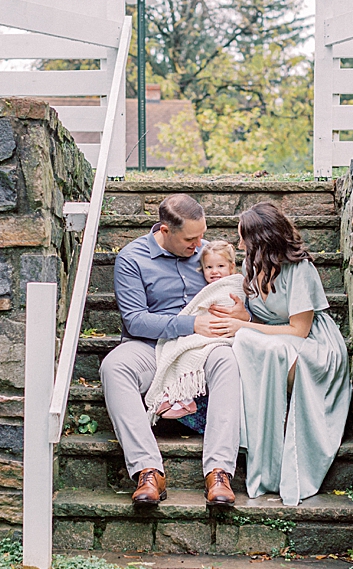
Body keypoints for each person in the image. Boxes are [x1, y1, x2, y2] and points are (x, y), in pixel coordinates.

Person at [103, 194, 249, 507]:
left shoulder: (207, 252)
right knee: (114, 367)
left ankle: (219, 472)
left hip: (201, 348)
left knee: (227, 359)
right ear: (165, 231)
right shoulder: (133, 258)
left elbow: (235, 290)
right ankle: (148, 470)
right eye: (191, 239)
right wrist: (190, 324)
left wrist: (242, 315)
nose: (199, 245)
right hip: (150, 347)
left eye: (202, 235)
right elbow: (135, 320)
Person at [209, 201, 351, 506]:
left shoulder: (300, 268)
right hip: (276, 340)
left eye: (243, 237)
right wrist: (243, 318)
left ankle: (283, 449)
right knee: (247, 341)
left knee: (255, 342)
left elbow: (299, 330)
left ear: (261, 239)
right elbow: (264, 322)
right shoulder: (251, 265)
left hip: (313, 344)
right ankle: (265, 444)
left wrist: (245, 328)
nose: (239, 244)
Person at [146, 241, 243, 421]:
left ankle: (182, 396)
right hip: (205, 329)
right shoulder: (208, 287)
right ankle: (175, 394)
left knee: (189, 349)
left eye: (220, 266)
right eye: (209, 267)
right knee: (180, 345)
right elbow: (199, 309)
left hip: (224, 332)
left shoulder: (235, 284)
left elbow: (229, 305)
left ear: (232, 267)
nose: (214, 271)